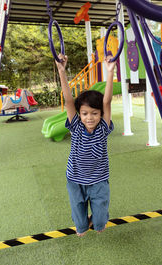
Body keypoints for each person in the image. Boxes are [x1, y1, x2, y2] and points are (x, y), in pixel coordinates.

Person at [56, 53, 116, 237]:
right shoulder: (75, 126)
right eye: (85, 113)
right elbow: (68, 100)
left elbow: (107, 101)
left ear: (100, 115)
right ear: (79, 115)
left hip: (98, 181)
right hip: (75, 179)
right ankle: (82, 221)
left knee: (99, 225)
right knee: (81, 229)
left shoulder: (103, 128)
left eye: (94, 113)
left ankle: (97, 217)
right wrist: (61, 72)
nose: (89, 117)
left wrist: (110, 71)